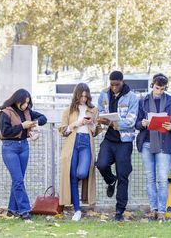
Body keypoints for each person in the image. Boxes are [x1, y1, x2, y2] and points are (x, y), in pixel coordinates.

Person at [0, 89, 47, 221]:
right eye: (24, 103)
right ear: (17, 100)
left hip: (24, 147)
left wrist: (34, 123)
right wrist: (22, 126)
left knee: (18, 181)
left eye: (27, 103)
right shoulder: (5, 113)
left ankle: (11, 211)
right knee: (18, 181)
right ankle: (25, 211)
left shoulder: (27, 112)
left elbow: (43, 118)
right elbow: (6, 132)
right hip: (9, 148)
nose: (25, 106)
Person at [96, 71, 138, 221]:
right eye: (111, 84)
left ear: (122, 81)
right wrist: (101, 119)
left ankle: (119, 210)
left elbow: (131, 121)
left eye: (117, 84)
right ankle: (110, 180)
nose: (114, 87)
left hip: (124, 142)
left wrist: (113, 123)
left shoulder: (132, 97)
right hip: (108, 138)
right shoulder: (104, 94)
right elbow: (100, 111)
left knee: (123, 174)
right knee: (101, 164)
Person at [135, 73, 171, 221]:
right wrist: (141, 124)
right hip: (147, 143)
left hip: (164, 144)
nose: (159, 91)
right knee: (150, 178)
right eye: (157, 88)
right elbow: (136, 123)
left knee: (162, 178)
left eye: (162, 89)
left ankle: (161, 210)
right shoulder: (143, 101)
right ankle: (153, 209)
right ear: (152, 86)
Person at [58, 83, 101, 221]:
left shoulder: (93, 110)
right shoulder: (69, 110)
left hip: (85, 143)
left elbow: (95, 132)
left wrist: (91, 124)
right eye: (81, 96)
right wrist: (76, 124)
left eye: (85, 96)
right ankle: (77, 209)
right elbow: (63, 131)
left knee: (82, 172)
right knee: (72, 175)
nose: (83, 99)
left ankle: (77, 199)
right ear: (77, 95)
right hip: (72, 143)